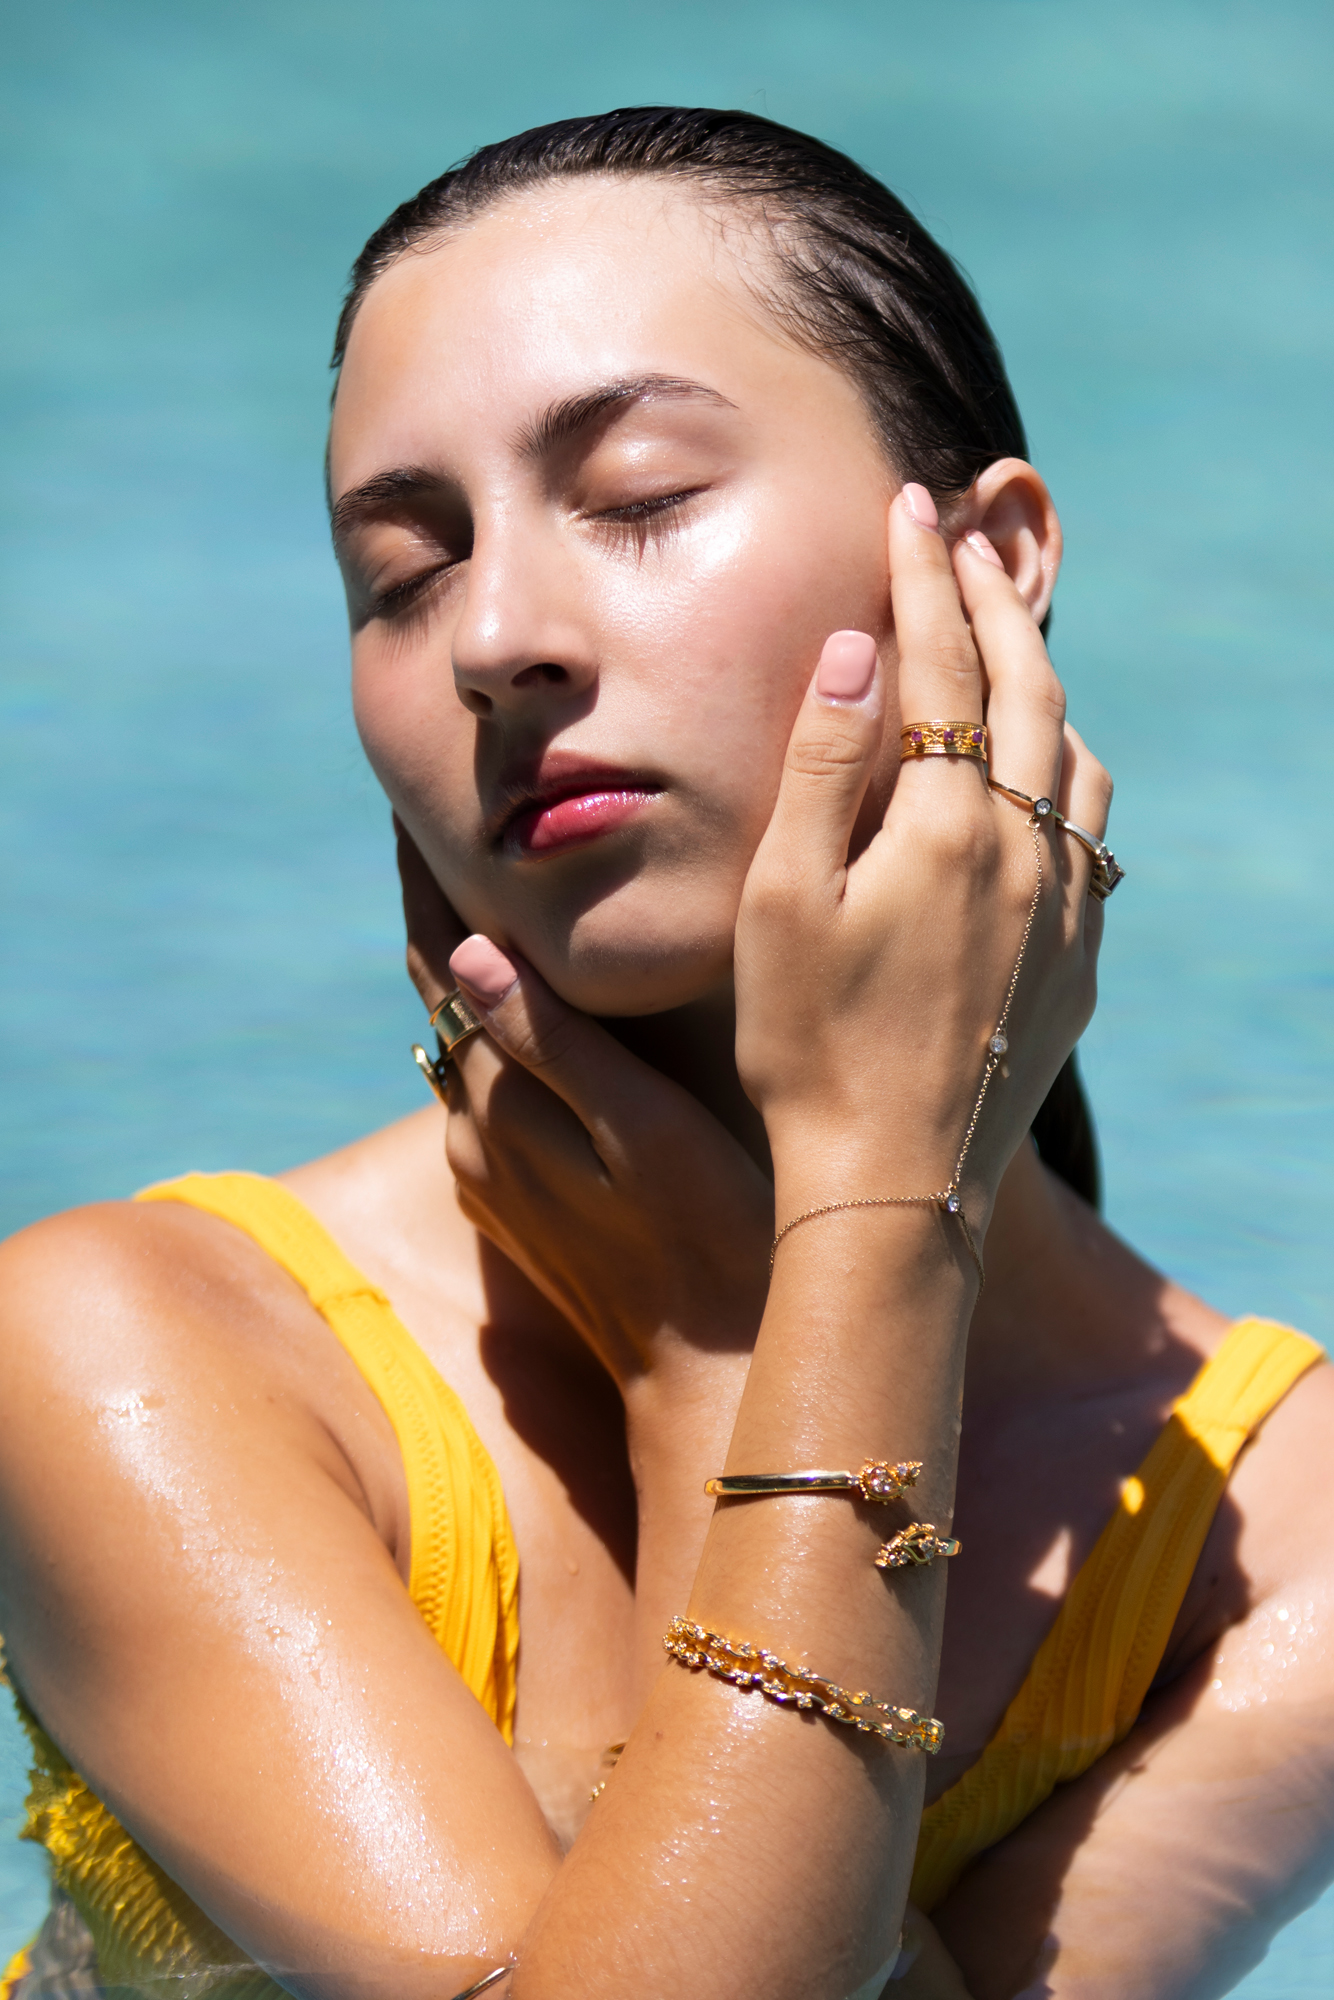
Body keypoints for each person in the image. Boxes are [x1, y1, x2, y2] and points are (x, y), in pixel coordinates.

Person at [1, 106, 1331, 2000]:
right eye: (403, 572)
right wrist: (762, 1319)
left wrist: (765, 1316)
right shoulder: (144, 1350)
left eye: (634, 495)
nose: (493, 637)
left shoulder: (1281, 1545)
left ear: (987, 562)